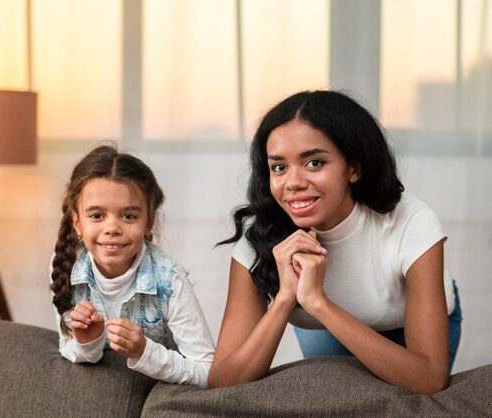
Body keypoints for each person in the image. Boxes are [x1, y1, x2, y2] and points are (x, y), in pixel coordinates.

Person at [208, 90, 461, 395]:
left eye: (314, 163)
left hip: (405, 332)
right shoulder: (261, 239)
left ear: (354, 168)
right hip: (327, 333)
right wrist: (286, 299)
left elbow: (429, 379)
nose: (293, 182)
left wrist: (318, 303)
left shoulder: (411, 222)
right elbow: (223, 383)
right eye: (279, 167)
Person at [49, 144, 215, 388]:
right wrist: (88, 342)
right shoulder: (66, 265)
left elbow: (208, 371)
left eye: (128, 216)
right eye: (96, 215)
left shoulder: (169, 280)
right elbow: (71, 349)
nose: (112, 228)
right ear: (77, 222)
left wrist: (144, 351)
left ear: (148, 223)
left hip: (162, 396)